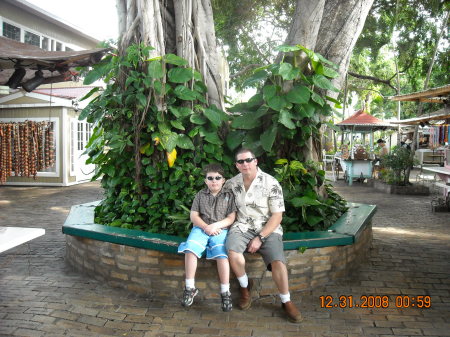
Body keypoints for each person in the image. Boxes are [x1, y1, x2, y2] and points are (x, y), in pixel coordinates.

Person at [223, 148, 302, 323]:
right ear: (237, 165)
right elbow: (222, 205)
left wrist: (260, 238)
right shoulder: (231, 184)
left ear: (255, 161)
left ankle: (286, 301)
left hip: (268, 227)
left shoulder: (271, 183)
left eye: (248, 160)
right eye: (241, 162)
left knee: (278, 262)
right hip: (241, 226)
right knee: (232, 252)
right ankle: (245, 287)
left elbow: (277, 216)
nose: (245, 164)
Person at [177, 163, 237, 312]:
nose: (214, 181)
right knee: (190, 249)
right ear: (205, 181)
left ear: (223, 180)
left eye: (218, 178)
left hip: (220, 230)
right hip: (201, 228)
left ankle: (225, 292)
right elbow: (193, 215)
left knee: (222, 254)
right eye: (210, 178)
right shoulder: (200, 195)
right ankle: (190, 288)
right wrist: (205, 227)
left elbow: (231, 218)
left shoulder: (229, 196)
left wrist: (215, 226)